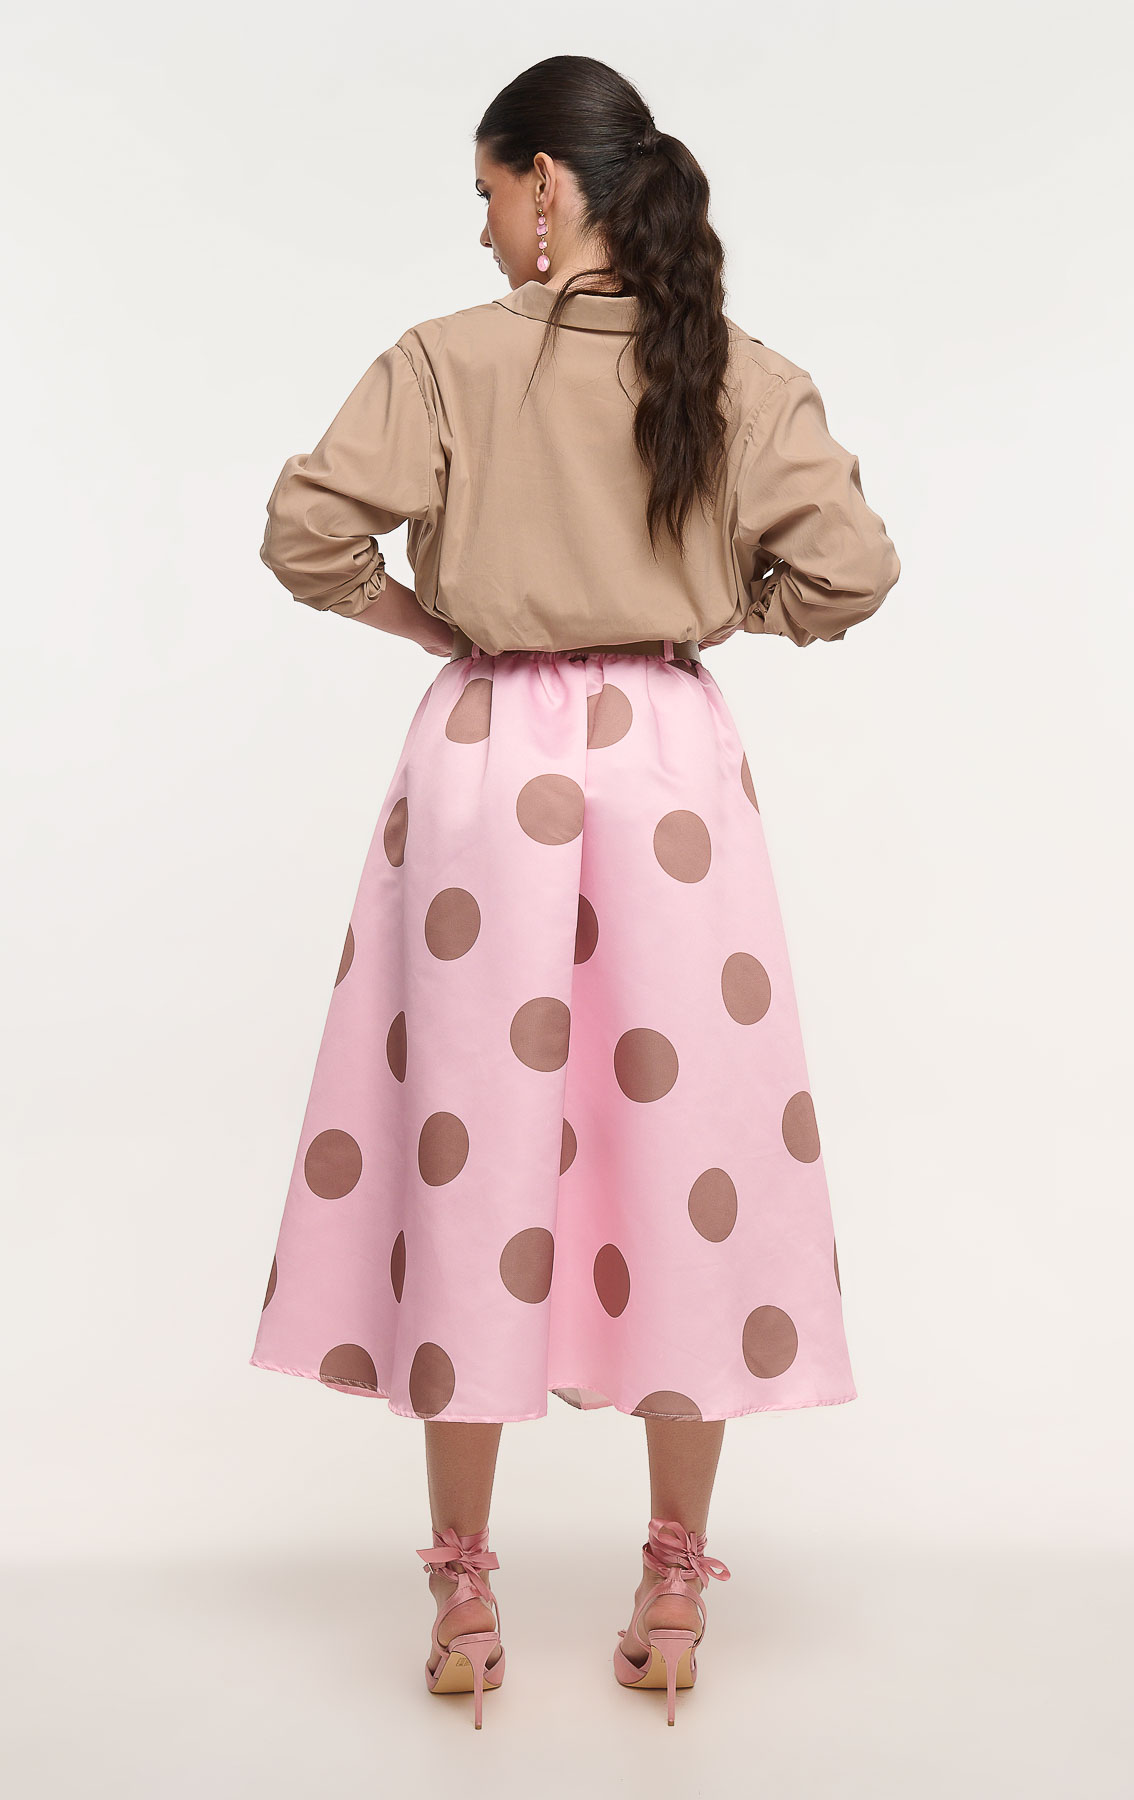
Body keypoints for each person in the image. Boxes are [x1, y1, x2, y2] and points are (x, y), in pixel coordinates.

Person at [249, 54, 901, 1728]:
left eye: (487, 192)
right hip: (668, 770)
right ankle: (676, 1584)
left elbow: (307, 531)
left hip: (492, 771)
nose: (481, 229)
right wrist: (703, 607)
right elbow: (851, 569)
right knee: (689, 1162)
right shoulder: (734, 370)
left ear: (548, 181)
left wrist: (435, 624)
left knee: (468, 1152)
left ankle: (465, 1604)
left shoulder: (447, 361)